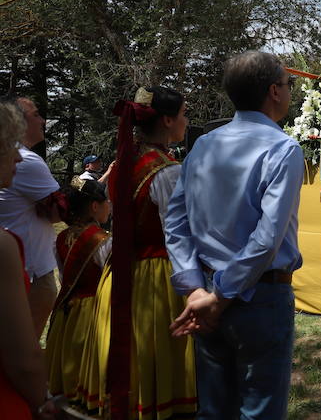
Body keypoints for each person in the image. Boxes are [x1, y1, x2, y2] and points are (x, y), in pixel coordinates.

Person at [166, 51, 304, 420]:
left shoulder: (203, 146)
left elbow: (176, 223)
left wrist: (196, 288)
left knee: (213, 409)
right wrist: (219, 295)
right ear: (274, 91)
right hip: (260, 297)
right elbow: (267, 236)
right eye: (289, 85)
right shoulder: (284, 148)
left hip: (208, 295)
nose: (290, 92)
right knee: (258, 410)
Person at [87, 86, 196, 419]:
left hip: (119, 276)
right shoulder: (167, 171)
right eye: (183, 114)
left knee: (130, 360)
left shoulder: (124, 163)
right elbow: (179, 234)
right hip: (156, 280)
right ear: (166, 120)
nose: (186, 120)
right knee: (156, 357)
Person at [0, 101, 56, 419]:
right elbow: (23, 360)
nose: (18, 156)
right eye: (10, 147)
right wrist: (41, 403)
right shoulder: (4, 247)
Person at [45, 177, 111, 408]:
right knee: (89, 368)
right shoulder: (103, 242)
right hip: (94, 313)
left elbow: (64, 278)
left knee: (69, 363)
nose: (110, 206)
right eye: (107, 202)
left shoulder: (61, 238)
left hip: (67, 312)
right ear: (95, 206)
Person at [0, 96, 61, 338]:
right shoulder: (27, 161)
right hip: (30, 271)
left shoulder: (17, 158)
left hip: (23, 264)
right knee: (21, 345)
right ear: (19, 122)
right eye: (36, 114)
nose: (43, 120)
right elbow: (59, 212)